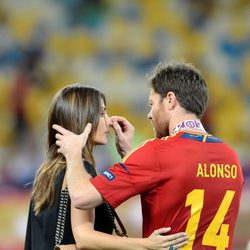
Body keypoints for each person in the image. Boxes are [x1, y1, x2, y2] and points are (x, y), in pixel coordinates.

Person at [53, 62, 244, 249]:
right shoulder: (231, 157)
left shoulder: (156, 152)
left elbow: (81, 197)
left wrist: (73, 153)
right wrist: (131, 155)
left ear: (170, 100)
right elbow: (178, 183)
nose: (149, 115)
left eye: (152, 104)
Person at [24, 83, 189, 250]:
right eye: (102, 113)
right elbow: (85, 238)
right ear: (82, 119)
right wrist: (146, 245)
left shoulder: (47, 172)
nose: (109, 120)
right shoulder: (80, 170)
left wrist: (129, 155)